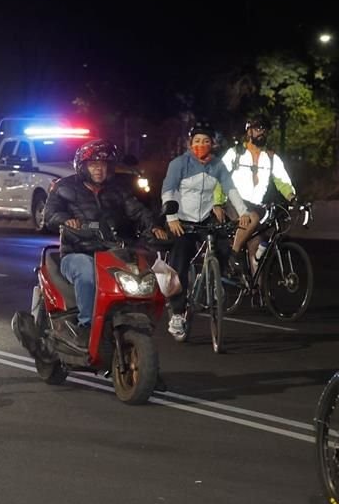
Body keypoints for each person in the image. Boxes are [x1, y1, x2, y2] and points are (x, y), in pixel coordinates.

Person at [34, 139, 168, 348]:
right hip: (78, 253)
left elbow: (138, 211)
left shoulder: (118, 190)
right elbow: (50, 214)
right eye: (94, 164)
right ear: (83, 167)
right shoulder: (64, 187)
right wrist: (66, 221)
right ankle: (85, 326)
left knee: (142, 274)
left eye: (103, 165)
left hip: (113, 252)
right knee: (87, 274)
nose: (99, 169)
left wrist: (154, 227)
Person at [161, 122, 254, 340]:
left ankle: (214, 279)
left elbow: (231, 188)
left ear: (212, 144)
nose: (201, 145)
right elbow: (168, 191)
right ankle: (177, 313)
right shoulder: (179, 164)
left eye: (206, 141)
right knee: (180, 264)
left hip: (205, 219)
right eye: (197, 141)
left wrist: (243, 212)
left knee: (224, 245)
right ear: (190, 143)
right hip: (182, 221)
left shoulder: (218, 165)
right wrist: (172, 218)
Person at [214, 115, 296, 273]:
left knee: (257, 252)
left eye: (265, 130)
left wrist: (292, 197)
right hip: (234, 202)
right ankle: (233, 254)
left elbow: (283, 182)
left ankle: (256, 290)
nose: (262, 132)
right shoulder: (235, 153)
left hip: (256, 206)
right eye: (258, 129)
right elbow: (220, 178)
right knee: (253, 218)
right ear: (249, 132)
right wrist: (217, 203)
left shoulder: (271, 158)